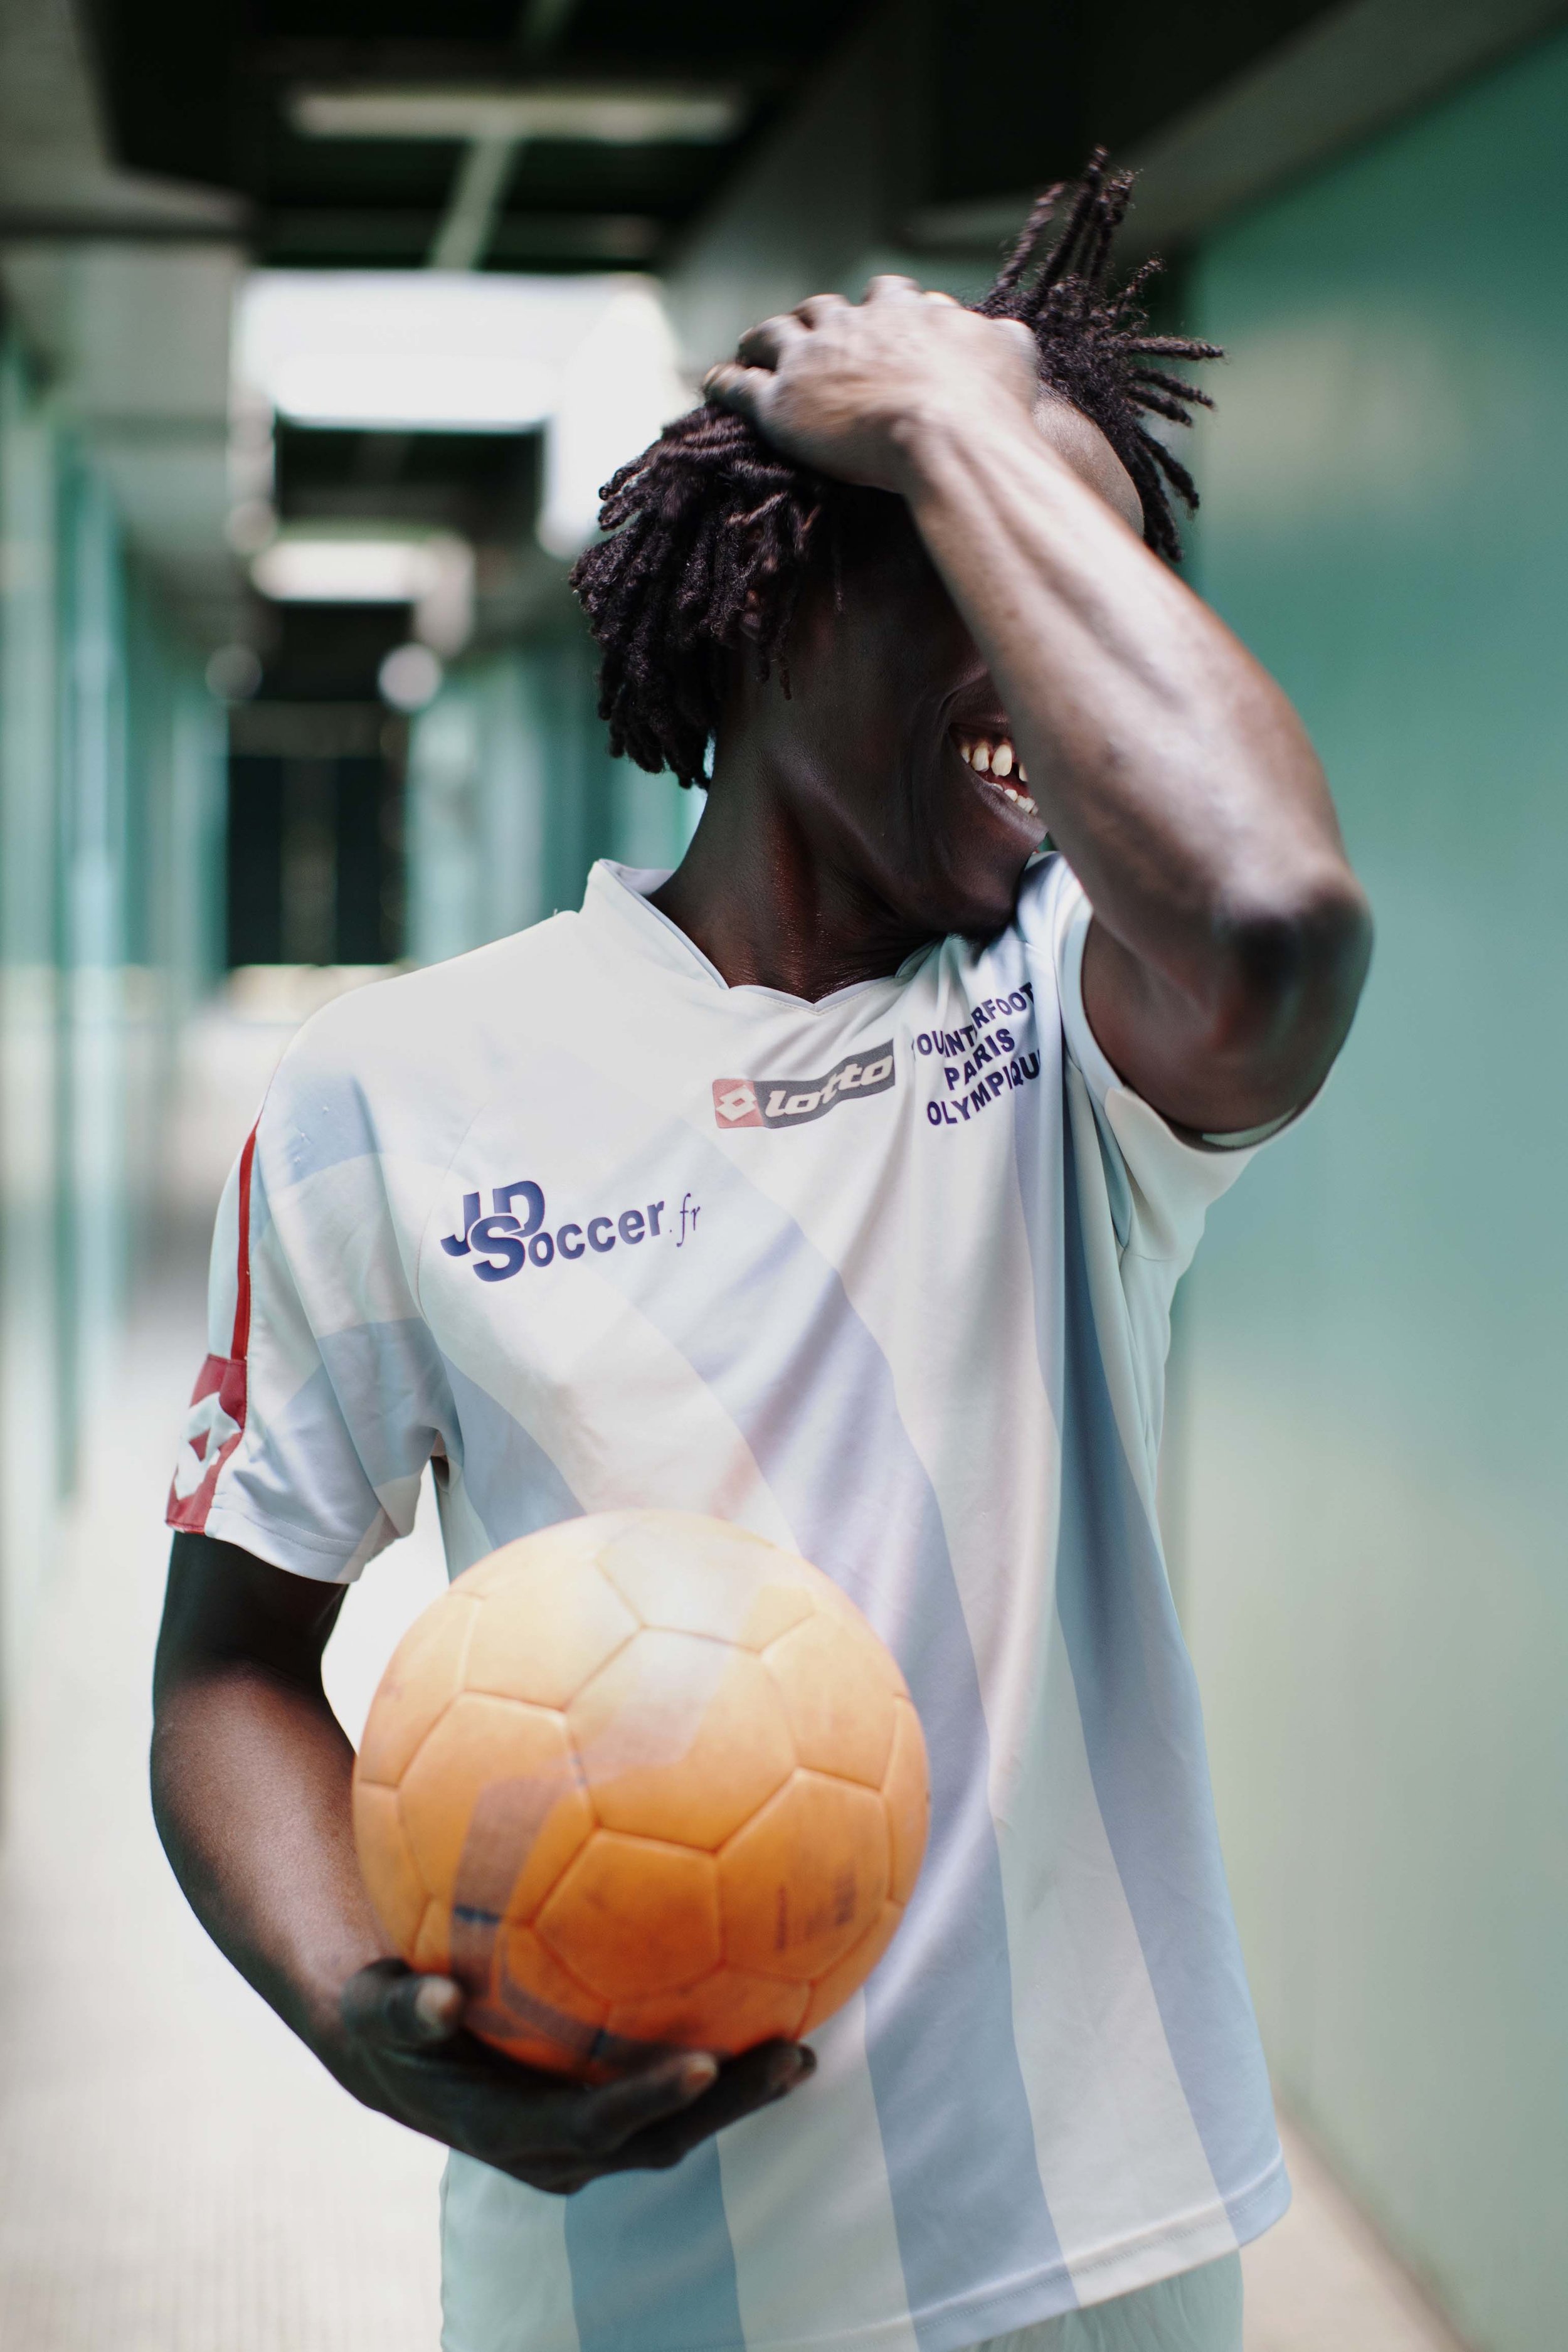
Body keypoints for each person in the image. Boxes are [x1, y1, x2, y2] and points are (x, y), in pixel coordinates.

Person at [152, 163, 1370, 2352]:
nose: (1051, 639)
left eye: (1084, 563)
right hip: (626, 2286)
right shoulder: (401, 1088)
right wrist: (363, 2005)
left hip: (1106, 2257)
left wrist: (960, 419)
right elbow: (230, 1666)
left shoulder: (1067, 1018)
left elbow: (1275, 915)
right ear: (775, 602)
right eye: (970, 544)